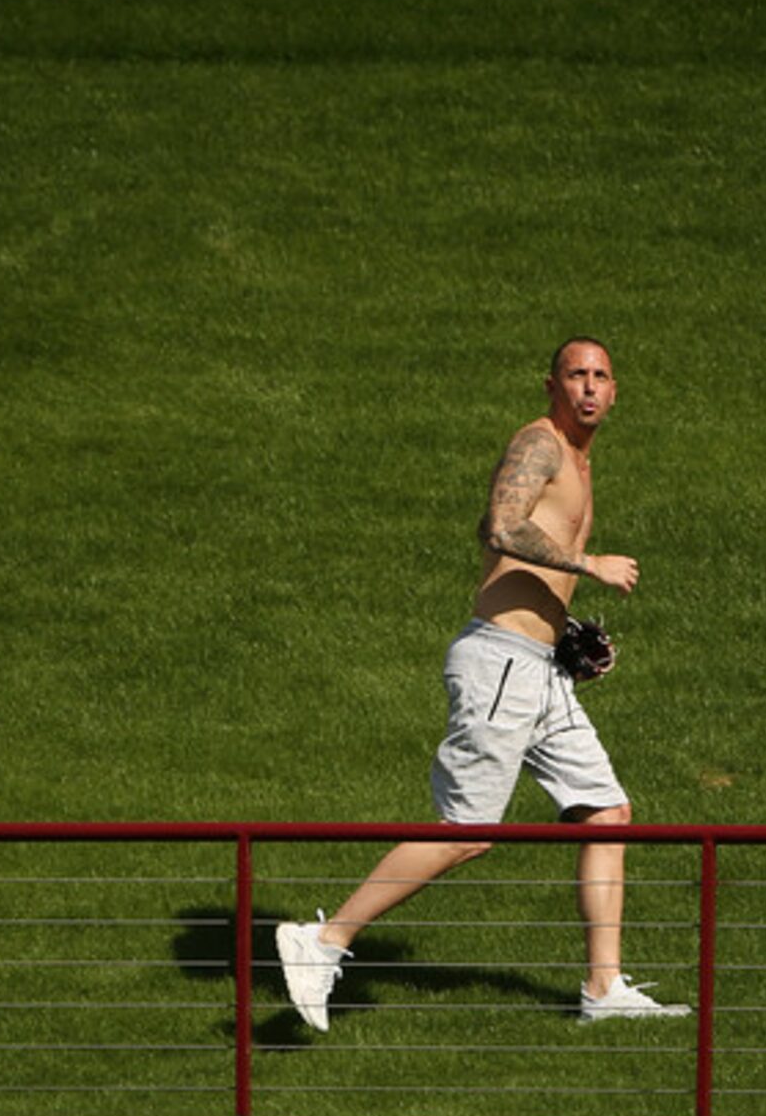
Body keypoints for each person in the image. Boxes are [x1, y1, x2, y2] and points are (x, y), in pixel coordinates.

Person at [275, 338, 689, 1031]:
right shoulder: (541, 443)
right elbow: (500, 527)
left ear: (616, 390)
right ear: (552, 384)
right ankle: (321, 942)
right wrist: (588, 564)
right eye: (575, 375)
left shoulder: (578, 461)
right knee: (467, 832)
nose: (589, 387)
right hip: (500, 664)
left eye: (601, 376)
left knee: (606, 813)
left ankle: (603, 988)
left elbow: (489, 525)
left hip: (537, 668)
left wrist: (563, 635)